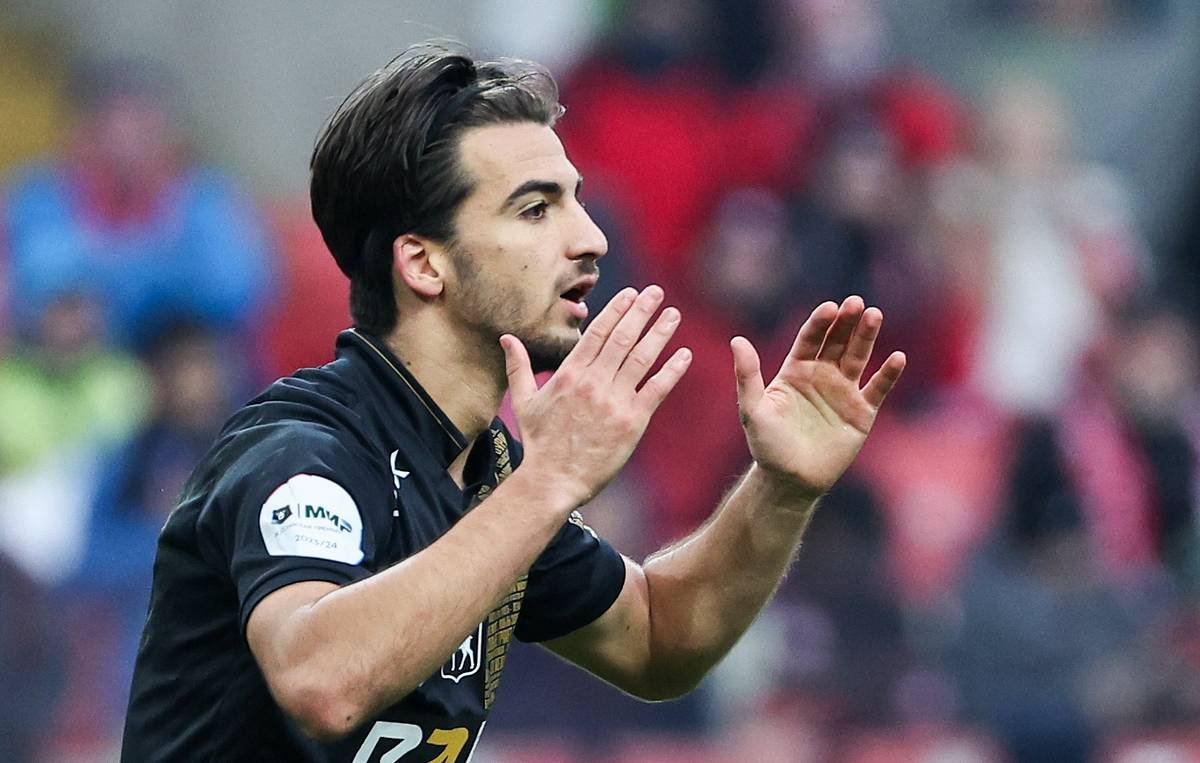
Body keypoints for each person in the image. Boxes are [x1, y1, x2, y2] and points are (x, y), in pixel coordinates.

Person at [121, 44, 906, 762]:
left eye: (576, 202)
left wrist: (780, 488)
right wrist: (548, 481)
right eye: (536, 209)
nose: (591, 239)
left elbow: (660, 637)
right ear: (424, 264)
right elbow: (322, 681)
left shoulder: (484, 478)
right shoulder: (303, 451)